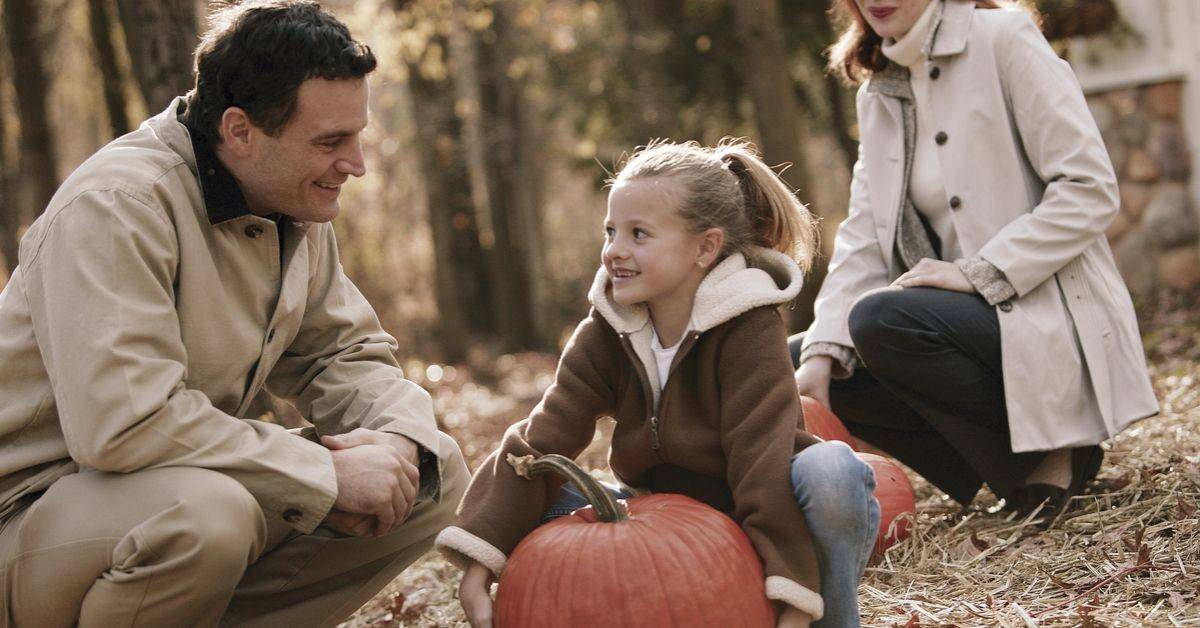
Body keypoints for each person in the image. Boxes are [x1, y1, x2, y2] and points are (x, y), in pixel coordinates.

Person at [0, 1, 468, 625]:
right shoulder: (115, 207)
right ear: (240, 130)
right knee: (205, 518)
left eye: (356, 136)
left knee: (430, 474)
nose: (356, 164)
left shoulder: (289, 198)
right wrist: (325, 473)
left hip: (161, 493)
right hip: (30, 515)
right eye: (331, 142)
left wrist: (398, 442)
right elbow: (126, 424)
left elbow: (343, 353)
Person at [437, 139, 881, 628]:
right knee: (546, 497)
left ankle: (831, 620)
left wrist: (791, 601)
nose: (614, 251)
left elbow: (761, 464)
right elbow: (543, 439)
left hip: (753, 514)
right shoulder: (609, 331)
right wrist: (482, 559)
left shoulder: (748, 328)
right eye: (611, 231)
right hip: (657, 513)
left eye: (639, 234)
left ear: (705, 247)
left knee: (830, 469)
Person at [793, 0, 1158, 525]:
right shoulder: (880, 88)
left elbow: (1088, 190)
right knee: (796, 364)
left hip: (1041, 312)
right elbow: (865, 237)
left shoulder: (1002, 37)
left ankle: (1056, 453)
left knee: (880, 321)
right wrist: (822, 354)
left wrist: (979, 271)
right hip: (947, 323)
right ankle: (1011, 467)